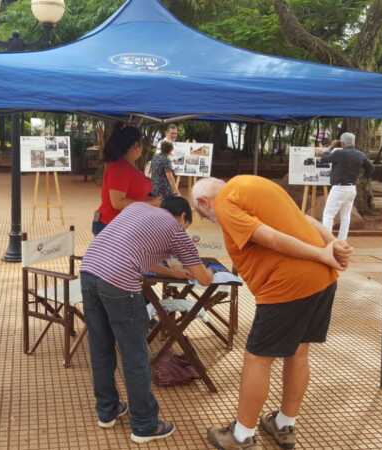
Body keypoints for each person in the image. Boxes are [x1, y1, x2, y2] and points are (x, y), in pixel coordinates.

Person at [192, 176, 353, 450]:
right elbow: (304, 219)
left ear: (203, 202)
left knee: (257, 358)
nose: (212, 220)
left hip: (287, 285)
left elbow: (269, 237)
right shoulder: (255, 184)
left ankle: (241, 435)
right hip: (322, 280)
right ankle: (284, 423)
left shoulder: (224, 203)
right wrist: (333, 243)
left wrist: (320, 253)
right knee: (298, 353)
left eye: (203, 216)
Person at [80, 197, 214, 444]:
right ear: (183, 217)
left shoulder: (137, 208)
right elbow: (203, 278)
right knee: (135, 354)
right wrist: (211, 273)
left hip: (89, 271)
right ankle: (144, 425)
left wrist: (172, 272)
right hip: (119, 280)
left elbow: (144, 256)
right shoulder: (176, 230)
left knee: (100, 347)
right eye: (186, 224)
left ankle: (107, 411)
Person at [94, 124, 157, 235]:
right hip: (111, 226)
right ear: (136, 146)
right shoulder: (119, 168)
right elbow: (117, 202)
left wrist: (151, 199)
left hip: (124, 225)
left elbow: (133, 194)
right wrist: (150, 203)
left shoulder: (129, 166)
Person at [320, 132, 373, 240]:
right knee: (345, 216)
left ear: (342, 143)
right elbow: (371, 168)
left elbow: (324, 158)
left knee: (328, 214)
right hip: (351, 188)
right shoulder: (360, 154)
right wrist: (363, 178)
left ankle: (327, 240)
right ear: (353, 142)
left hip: (339, 188)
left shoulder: (339, 153)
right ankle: (342, 240)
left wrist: (330, 147)